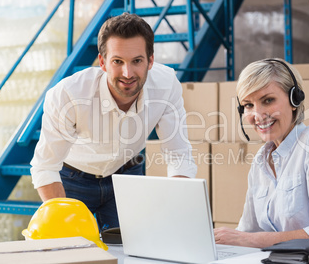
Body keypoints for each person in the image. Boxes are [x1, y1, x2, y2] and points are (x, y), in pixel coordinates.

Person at [30, 13, 197, 230]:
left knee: (131, 251)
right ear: (102, 62)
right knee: (68, 249)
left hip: (127, 175)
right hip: (72, 178)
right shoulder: (69, 94)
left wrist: (178, 210)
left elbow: (178, 154)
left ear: (151, 60)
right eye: (118, 61)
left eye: (137, 61)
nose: (128, 73)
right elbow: (45, 166)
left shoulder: (166, 85)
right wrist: (61, 224)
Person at [214, 58, 309, 248]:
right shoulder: (260, 162)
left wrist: (252, 240)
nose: (258, 115)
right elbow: (247, 231)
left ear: (295, 99)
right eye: (248, 105)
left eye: (268, 100)